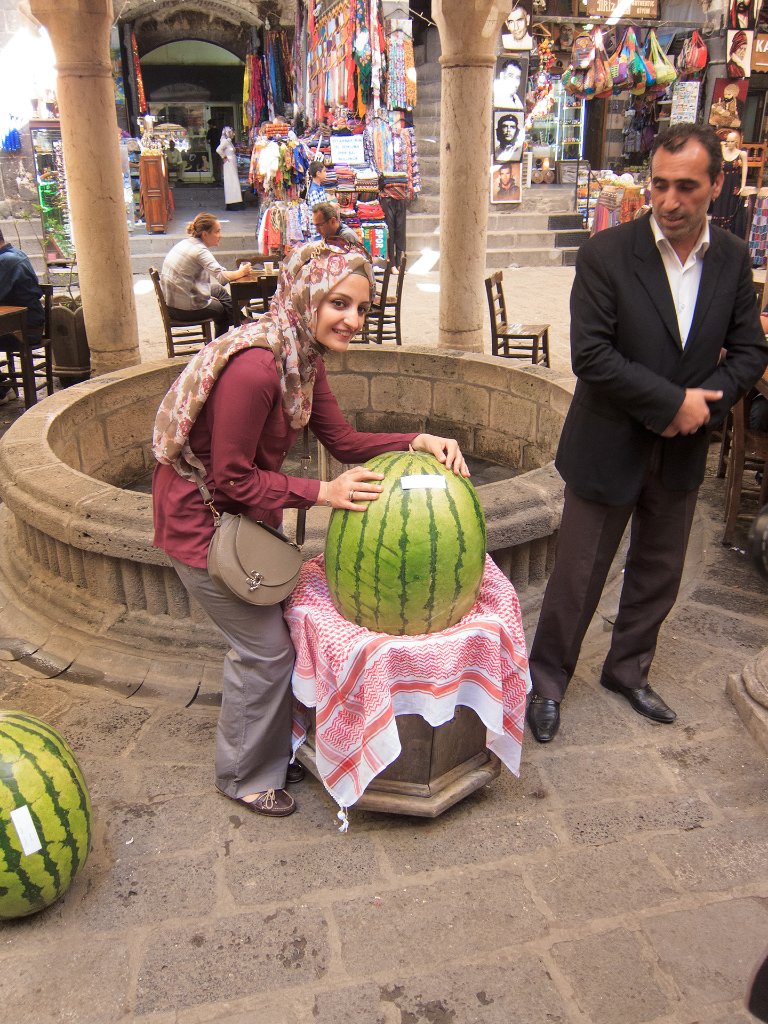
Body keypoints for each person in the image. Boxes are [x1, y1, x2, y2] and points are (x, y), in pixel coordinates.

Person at [151, 239, 470, 817]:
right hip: (201, 524)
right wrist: (322, 493)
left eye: (362, 309)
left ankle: (272, 749)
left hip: (237, 521)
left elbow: (343, 442)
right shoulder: (255, 368)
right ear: (307, 298)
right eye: (338, 304)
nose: (352, 319)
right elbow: (229, 479)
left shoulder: (300, 357)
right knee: (266, 652)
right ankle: (244, 777)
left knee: (271, 642)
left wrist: (417, 438)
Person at [526, 122, 768, 744]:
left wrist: (704, 410)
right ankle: (547, 681)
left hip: (682, 451)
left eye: (687, 187)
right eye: (659, 185)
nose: (669, 201)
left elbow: (749, 350)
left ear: (716, 185)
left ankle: (627, 669)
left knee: (659, 570)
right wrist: (671, 403)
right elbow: (593, 356)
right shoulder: (606, 254)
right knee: (577, 575)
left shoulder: (735, 259)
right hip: (607, 442)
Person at [160, 212, 252, 337]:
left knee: (218, 291)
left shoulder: (187, 243)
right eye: (217, 231)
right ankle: (218, 345)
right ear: (205, 234)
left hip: (173, 303)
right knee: (221, 309)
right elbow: (222, 277)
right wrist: (242, 272)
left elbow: (220, 277)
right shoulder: (199, 251)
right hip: (183, 309)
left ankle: (240, 318)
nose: (220, 235)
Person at [0, 226, 44, 405]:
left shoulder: (6, 261)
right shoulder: (12, 255)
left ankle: (2, 390)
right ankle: (3, 388)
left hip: (25, 330)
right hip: (21, 325)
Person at [709, 129, 748, 235]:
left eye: (732, 141)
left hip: (733, 183)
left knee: (731, 205)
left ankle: (728, 229)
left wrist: (743, 185)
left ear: (736, 142)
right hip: (722, 182)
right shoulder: (722, 150)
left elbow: (744, 169)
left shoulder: (741, 154)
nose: (729, 143)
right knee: (719, 204)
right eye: (728, 141)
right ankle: (716, 229)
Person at [216, 127, 244, 211]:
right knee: (231, 182)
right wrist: (224, 157)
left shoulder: (228, 141)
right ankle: (233, 203)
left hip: (231, 164)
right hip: (229, 164)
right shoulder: (226, 141)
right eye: (232, 132)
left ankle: (236, 202)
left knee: (233, 182)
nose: (234, 134)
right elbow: (218, 149)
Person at [206, 119, 222, 183]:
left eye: (209, 124)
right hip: (220, 150)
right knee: (219, 164)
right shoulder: (219, 131)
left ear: (211, 124)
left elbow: (207, 140)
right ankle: (220, 177)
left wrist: (210, 143)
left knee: (215, 164)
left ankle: (216, 178)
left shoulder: (210, 131)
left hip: (213, 150)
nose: (208, 126)